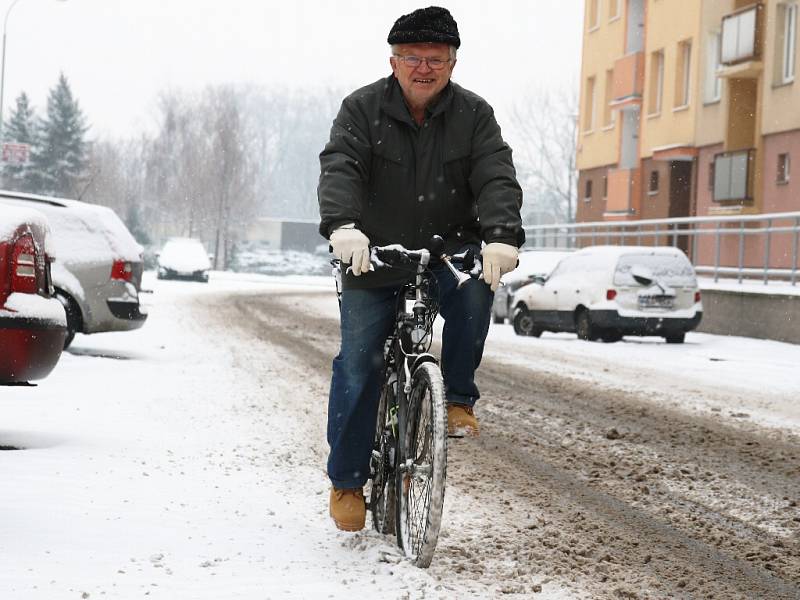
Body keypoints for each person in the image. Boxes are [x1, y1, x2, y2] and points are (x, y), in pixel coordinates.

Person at [318, 5, 524, 532]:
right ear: (394, 60)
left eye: (436, 57)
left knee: (478, 292)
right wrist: (344, 226)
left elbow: (496, 176)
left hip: (447, 251)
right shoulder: (361, 109)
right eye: (413, 57)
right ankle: (347, 481)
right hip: (374, 255)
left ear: (453, 62)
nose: (424, 67)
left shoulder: (474, 115)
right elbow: (341, 165)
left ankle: (456, 398)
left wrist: (500, 237)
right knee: (358, 363)